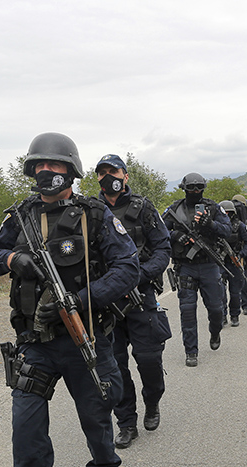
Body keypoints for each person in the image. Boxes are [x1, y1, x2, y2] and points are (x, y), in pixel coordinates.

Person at [0, 133, 139, 467]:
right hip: (35, 342)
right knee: (26, 427)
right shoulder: (20, 217)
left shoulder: (95, 215)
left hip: (84, 335)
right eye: (39, 167)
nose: (46, 173)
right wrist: (16, 260)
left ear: (71, 170)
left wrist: (81, 302)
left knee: (96, 418)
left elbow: (127, 268)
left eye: (55, 166)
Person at [94, 153, 172, 449]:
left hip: (141, 297)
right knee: (114, 367)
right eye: (102, 172)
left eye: (113, 171)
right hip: (107, 301)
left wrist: (136, 276)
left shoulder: (143, 208)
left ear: (125, 175)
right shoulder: (92, 210)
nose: (108, 176)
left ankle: (152, 402)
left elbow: (162, 249)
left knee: (149, 360)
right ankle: (126, 422)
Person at [162, 173, 231, 367]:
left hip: (209, 265)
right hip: (186, 267)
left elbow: (227, 231)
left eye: (198, 188)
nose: (194, 192)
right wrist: (175, 235)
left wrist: (210, 224)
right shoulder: (174, 209)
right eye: (190, 189)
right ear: (183, 189)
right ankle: (191, 351)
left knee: (216, 310)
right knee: (187, 312)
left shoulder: (213, 208)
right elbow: (158, 232)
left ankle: (215, 331)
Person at [218, 200, 247, 327]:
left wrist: (240, 255)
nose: (226, 215)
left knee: (235, 292)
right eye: (224, 212)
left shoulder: (240, 226)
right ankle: (222, 315)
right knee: (219, 292)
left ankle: (234, 315)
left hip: (234, 263)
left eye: (228, 212)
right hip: (219, 262)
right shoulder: (215, 227)